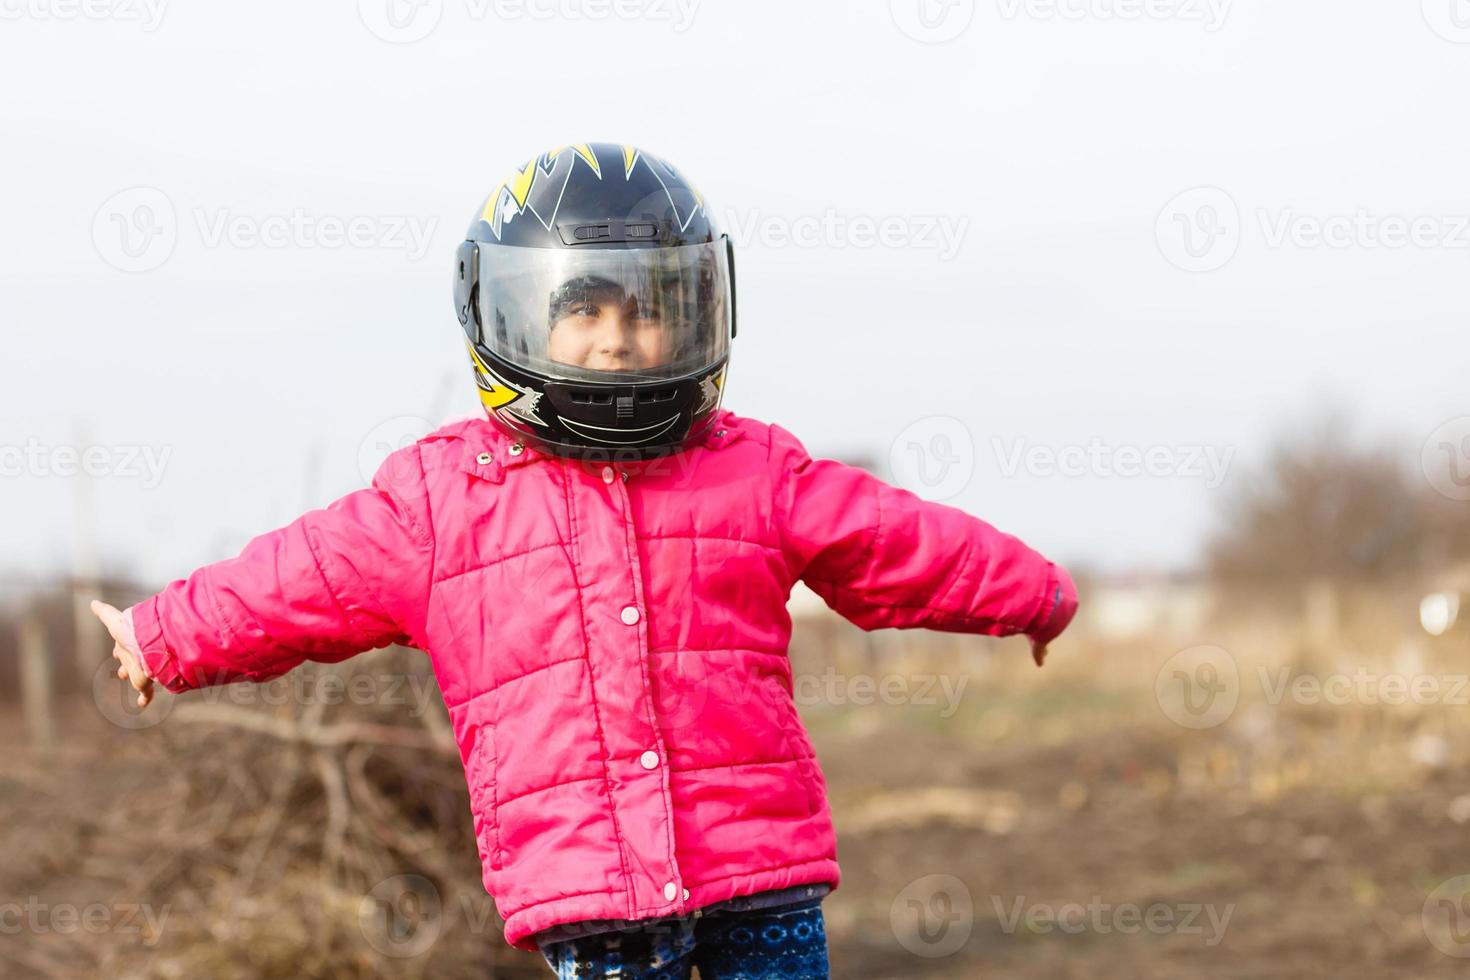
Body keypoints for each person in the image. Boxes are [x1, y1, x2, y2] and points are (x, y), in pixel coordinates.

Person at [91, 142, 1078, 979]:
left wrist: (1033, 594)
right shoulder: (444, 500)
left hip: (760, 865)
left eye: (646, 311)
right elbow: (302, 577)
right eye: (585, 312)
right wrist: (161, 634)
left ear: (698, 311)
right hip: (590, 888)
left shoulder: (751, 469)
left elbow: (900, 542)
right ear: (512, 316)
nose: (617, 340)